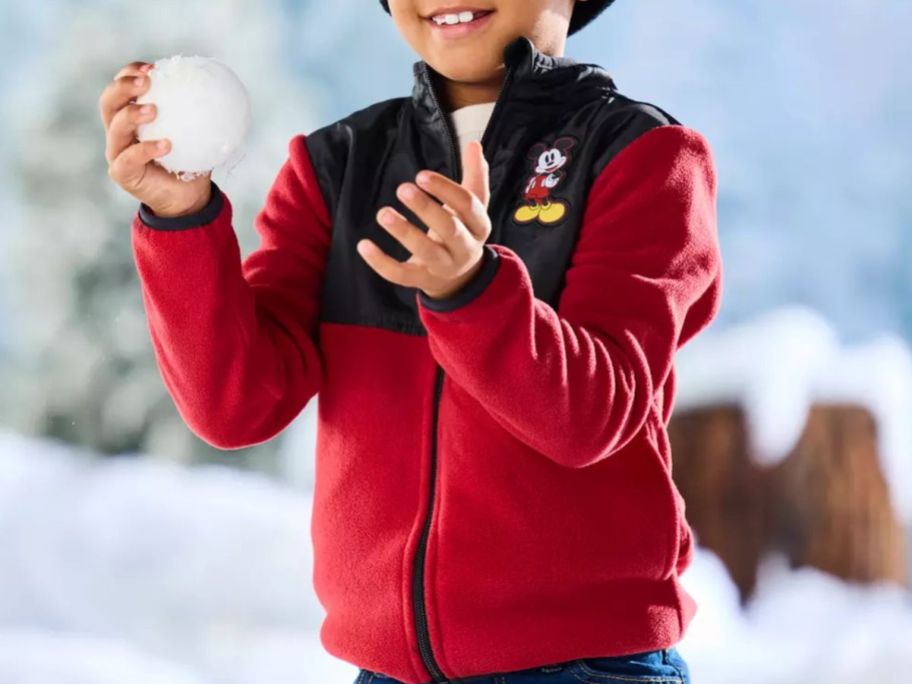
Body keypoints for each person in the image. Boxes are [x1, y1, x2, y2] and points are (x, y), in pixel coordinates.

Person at [99, 0, 722, 682]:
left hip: (586, 666)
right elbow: (237, 405)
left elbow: (593, 415)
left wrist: (473, 291)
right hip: (385, 671)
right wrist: (180, 218)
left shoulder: (645, 156)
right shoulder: (334, 166)